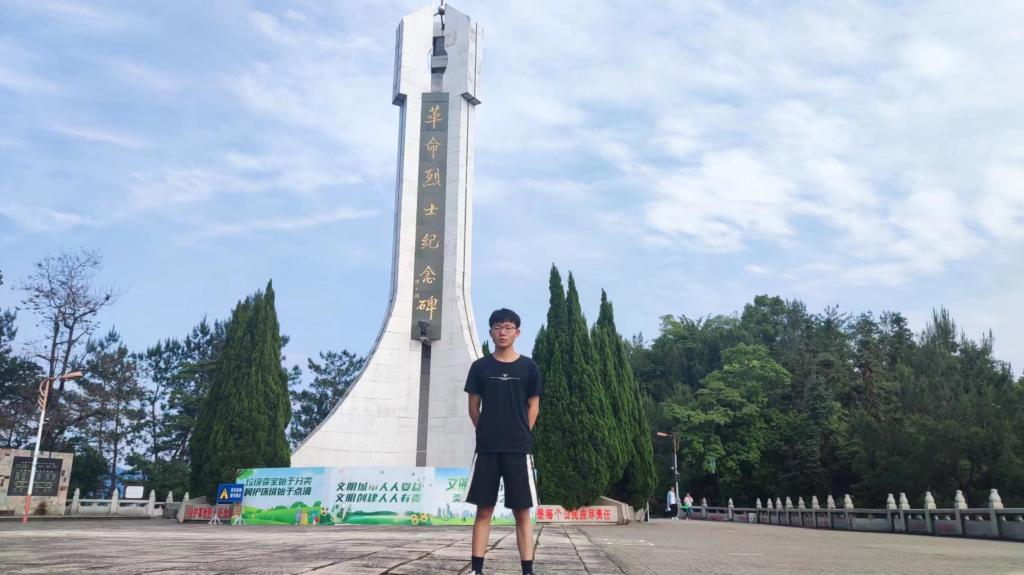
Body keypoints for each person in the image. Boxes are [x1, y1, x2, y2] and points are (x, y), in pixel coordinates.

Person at [465, 308, 542, 575]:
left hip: (518, 449)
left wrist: (521, 432)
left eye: (508, 327)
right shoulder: (480, 367)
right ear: (490, 332)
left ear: (517, 332)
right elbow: (473, 408)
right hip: (487, 448)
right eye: (497, 327)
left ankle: (527, 570)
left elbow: (534, 406)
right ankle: (476, 570)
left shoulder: (529, 367)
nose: (502, 332)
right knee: (483, 510)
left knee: (522, 512)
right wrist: (487, 431)